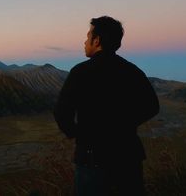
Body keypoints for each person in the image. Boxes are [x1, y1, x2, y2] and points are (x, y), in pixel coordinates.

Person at [54, 16, 159, 196]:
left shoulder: (80, 72)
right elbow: (152, 106)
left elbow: (62, 112)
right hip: (128, 156)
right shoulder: (132, 71)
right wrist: (124, 125)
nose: (85, 41)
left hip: (92, 157)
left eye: (88, 36)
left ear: (97, 40)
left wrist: (79, 132)